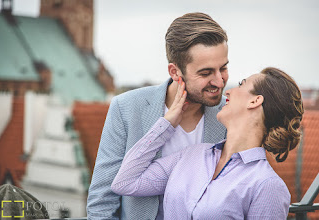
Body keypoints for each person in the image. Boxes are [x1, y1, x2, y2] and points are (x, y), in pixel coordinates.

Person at [87, 12, 229, 220]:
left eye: (223, 68)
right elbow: (102, 202)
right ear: (175, 71)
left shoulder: (232, 114)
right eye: (206, 73)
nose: (219, 81)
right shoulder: (126, 108)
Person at [111, 67, 304, 219]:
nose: (228, 91)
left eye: (241, 85)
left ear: (255, 101)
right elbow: (125, 182)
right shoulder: (190, 155)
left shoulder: (267, 186)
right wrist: (166, 124)